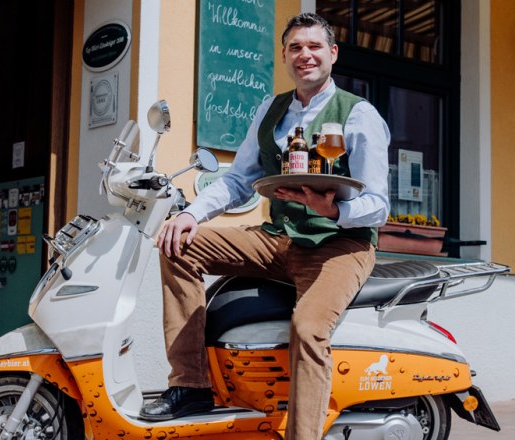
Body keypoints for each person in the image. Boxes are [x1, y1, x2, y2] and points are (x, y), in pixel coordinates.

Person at [139, 12, 391, 439]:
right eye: (295, 47)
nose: (304, 55)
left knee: (309, 329)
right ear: (284, 56)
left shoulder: (358, 114)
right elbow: (238, 180)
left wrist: (333, 212)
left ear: (332, 54)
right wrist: (189, 215)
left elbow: (378, 205)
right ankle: (191, 386)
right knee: (178, 244)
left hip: (339, 245)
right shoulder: (271, 110)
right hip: (279, 239)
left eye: (314, 46)